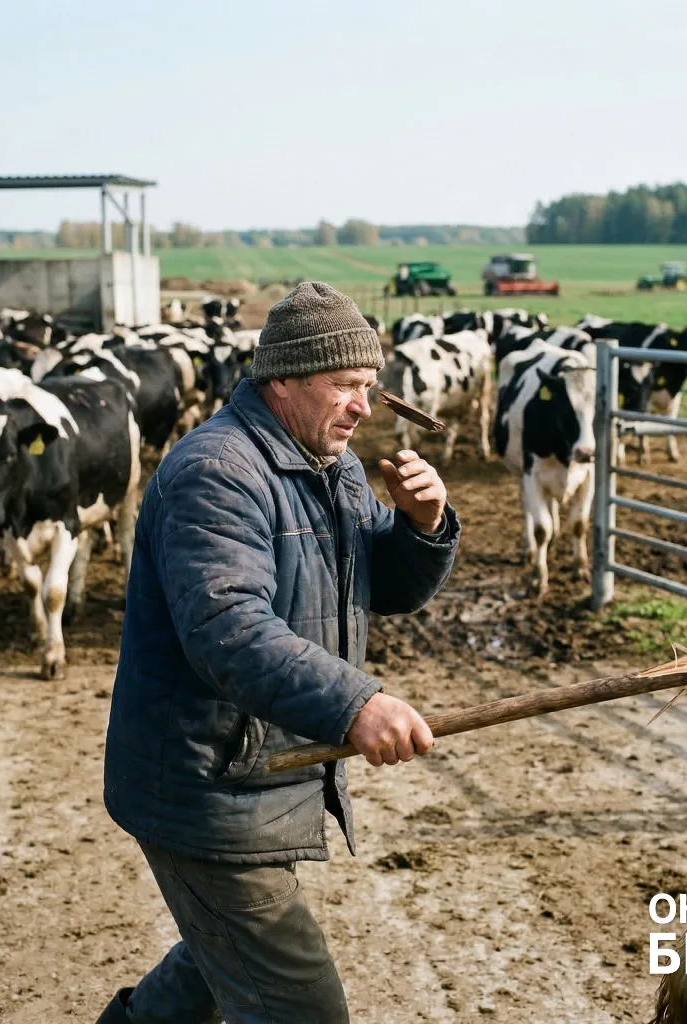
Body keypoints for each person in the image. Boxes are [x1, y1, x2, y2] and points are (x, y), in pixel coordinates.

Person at [96, 282, 461, 1023]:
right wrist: (355, 703)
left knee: (212, 962)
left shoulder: (333, 465)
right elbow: (229, 629)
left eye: (370, 387)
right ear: (285, 381)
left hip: (255, 771)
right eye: (347, 387)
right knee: (301, 1006)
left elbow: (373, 587)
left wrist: (423, 527)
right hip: (204, 784)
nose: (364, 407)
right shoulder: (217, 473)